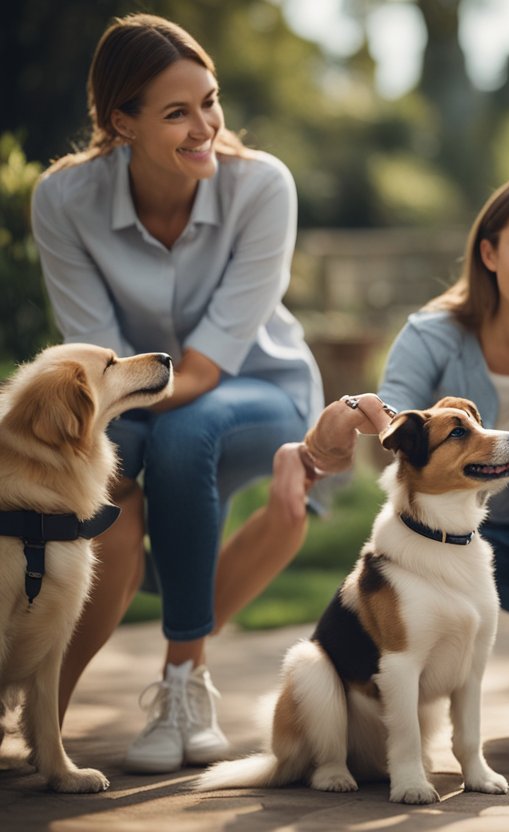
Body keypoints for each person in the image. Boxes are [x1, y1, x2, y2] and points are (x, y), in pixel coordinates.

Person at [31, 14, 325, 774]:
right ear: (119, 121)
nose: (207, 128)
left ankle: (184, 681)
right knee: (106, 512)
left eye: (210, 101)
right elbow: (98, 361)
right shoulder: (64, 201)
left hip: (257, 388)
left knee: (187, 430)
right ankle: (41, 718)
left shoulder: (263, 186)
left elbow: (205, 368)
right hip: (126, 399)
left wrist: (143, 425)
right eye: (176, 112)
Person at [279, 171, 509, 747]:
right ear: (489, 253)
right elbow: (395, 420)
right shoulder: (431, 335)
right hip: (455, 531)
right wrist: (352, 413)